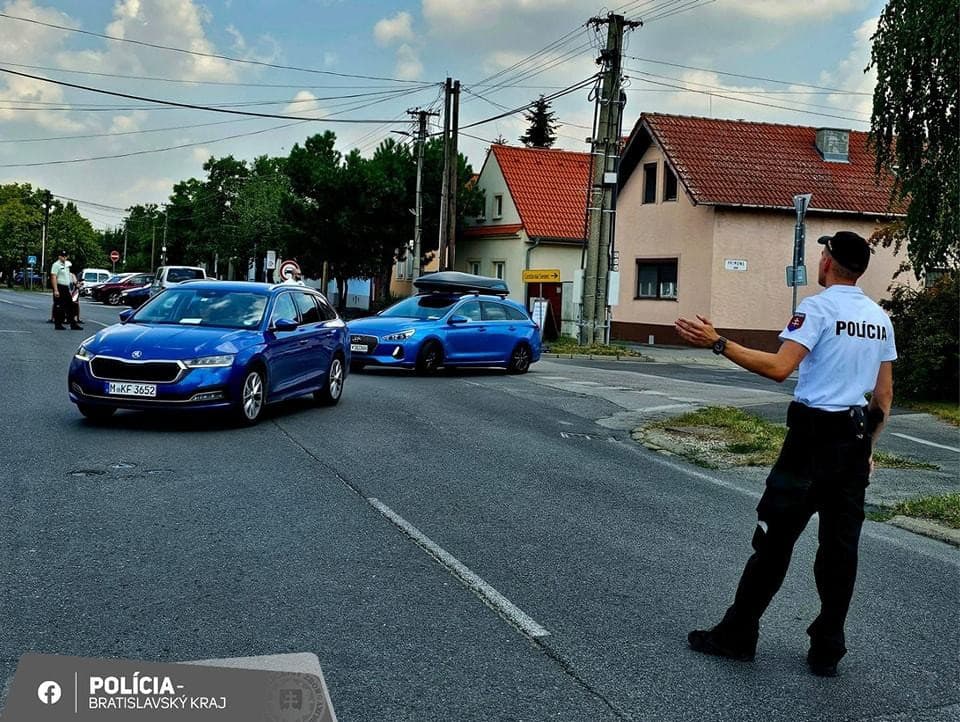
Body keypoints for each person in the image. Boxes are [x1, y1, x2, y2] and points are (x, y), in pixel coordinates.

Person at [674, 230, 896, 678]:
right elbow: (883, 399)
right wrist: (866, 452)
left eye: (823, 251)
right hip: (851, 445)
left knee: (772, 543)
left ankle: (738, 635)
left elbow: (779, 368)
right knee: (840, 551)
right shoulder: (879, 319)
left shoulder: (816, 308)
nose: (819, 257)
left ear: (829, 262)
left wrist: (719, 343)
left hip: (809, 446)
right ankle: (827, 648)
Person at [50, 250, 82, 330]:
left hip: (66, 287)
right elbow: (53, 277)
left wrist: (75, 283)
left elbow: (69, 275)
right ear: (59, 256)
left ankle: (73, 324)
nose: (64, 257)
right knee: (59, 307)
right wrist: (56, 290)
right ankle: (58, 324)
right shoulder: (56, 265)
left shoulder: (67, 265)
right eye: (62, 256)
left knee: (70, 306)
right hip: (59, 287)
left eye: (65, 256)